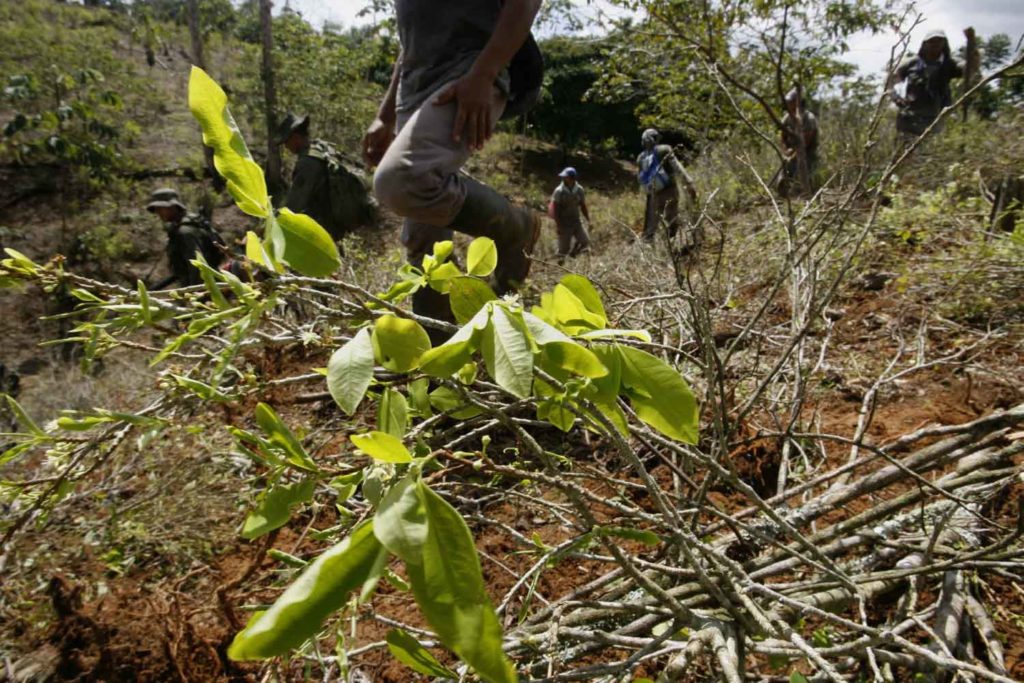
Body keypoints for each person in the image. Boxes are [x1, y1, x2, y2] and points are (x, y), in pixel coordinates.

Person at [362, 0, 544, 328]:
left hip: (467, 74)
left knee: (404, 180)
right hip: (414, 91)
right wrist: (385, 115)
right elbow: (411, 41)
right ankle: (438, 358)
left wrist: (484, 73)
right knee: (424, 244)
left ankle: (517, 227)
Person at [278, 113, 376, 244]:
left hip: (326, 228)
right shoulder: (322, 148)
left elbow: (294, 205)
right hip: (340, 221)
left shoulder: (307, 163)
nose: (286, 146)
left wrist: (271, 223)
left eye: (286, 141)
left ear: (295, 137)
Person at [890, 30, 964, 142]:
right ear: (924, 44)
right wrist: (894, 96)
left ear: (944, 43)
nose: (936, 44)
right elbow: (891, 79)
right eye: (932, 41)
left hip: (937, 118)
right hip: (910, 118)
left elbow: (969, 71)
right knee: (904, 153)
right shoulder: (911, 63)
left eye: (939, 41)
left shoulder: (950, 64)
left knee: (933, 154)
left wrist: (974, 57)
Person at [145, 188, 225, 288]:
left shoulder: (185, 231)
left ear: (173, 207)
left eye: (161, 208)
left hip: (206, 286)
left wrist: (196, 293)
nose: (158, 212)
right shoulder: (187, 224)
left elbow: (197, 265)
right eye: (156, 209)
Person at [636, 129, 697, 244]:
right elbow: (677, 167)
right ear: (656, 139)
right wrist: (689, 182)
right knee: (672, 221)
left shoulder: (640, 158)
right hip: (670, 190)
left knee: (650, 228)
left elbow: (640, 179)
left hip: (653, 195)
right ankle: (673, 248)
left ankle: (648, 253)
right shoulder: (664, 149)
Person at [778, 88, 819, 197]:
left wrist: (796, 150)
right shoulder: (787, 118)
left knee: (805, 178)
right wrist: (786, 151)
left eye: (791, 102)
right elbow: (781, 136)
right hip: (791, 154)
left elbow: (807, 139)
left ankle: (808, 197)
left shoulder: (809, 118)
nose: (788, 104)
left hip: (807, 154)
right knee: (784, 176)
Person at [548, 167, 590, 263]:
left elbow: (583, 205)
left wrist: (588, 219)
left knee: (585, 241)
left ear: (572, 178)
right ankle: (559, 267)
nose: (563, 178)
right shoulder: (559, 191)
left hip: (576, 221)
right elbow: (556, 209)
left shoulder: (579, 190)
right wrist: (558, 225)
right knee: (563, 250)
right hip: (564, 223)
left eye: (566, 177)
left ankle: (573, 254)